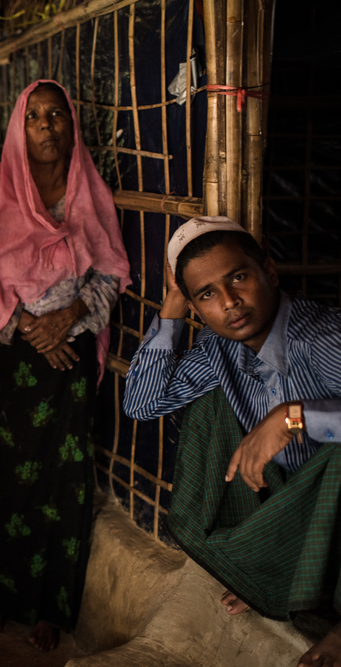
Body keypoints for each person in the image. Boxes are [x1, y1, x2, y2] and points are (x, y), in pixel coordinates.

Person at [0, 79, 130, 650]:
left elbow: (110, 272)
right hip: (21, 355)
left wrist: (69, 314)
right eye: (35, 116)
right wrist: (31, 328)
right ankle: (2, 593)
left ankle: (52, 604)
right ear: (18, 128)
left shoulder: (88, 193)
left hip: (72, 352)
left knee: (67, 477)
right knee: (11, 471)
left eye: (57, 115)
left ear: (73, 125)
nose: (47, 126)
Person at [122, 216, 341, 667]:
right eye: (206, 295)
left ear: (270, 272)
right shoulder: (219, 350)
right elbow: (143, 404)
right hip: (302, 510)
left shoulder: (322, 338)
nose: (229, 302)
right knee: (211, 408)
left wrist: (292, 418)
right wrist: (173, 304)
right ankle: (270, 570)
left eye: (238, 277)